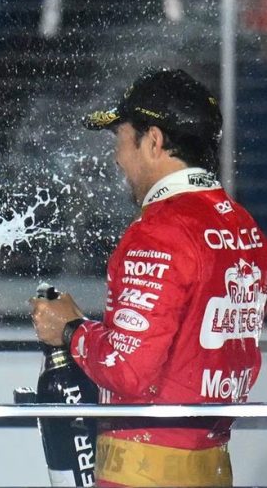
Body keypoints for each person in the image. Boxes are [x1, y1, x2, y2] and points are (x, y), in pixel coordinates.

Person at [30, 68, 267, 487]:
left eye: (121, 138)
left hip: (145, 469)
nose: (117, 157)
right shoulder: (242, 226)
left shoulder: (161, 230)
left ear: (153, 141)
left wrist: (69, 329)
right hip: (212, 465)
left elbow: (127, 369)